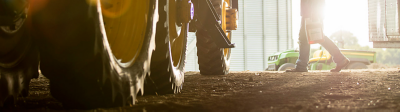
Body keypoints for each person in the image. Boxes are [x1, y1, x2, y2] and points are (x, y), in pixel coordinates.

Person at [286, 0, 349, 72]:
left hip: (311, 11)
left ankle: (301, 66)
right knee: (315, 36)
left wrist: (314, 12)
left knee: (308, 37)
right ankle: (340, 59)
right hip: (311, 10)